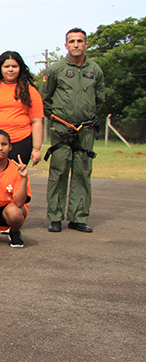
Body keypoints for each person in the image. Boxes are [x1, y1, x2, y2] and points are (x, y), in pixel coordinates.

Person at [40, 28, 105, 233]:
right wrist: (57, 118)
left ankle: (78, 217)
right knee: (58, 172)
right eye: (72, 41)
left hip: (85, 130)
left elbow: (100, 99)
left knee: (82, 173)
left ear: (86, 44)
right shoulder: (56, 69)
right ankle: (55, 218)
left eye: (80, 41)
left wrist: (87, 117)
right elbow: (44, 99)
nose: (76, 44)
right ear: (66, 45)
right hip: (61, 130)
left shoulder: (95, 70)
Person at [0, 51, 44, 166]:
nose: (10, 69)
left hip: (21, 141)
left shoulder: (30, 91)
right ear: (0, 68)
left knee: (16, 178)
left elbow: (37, 121)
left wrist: (36, 149)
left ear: (20, 68)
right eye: (6, 66)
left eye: (14, 66)